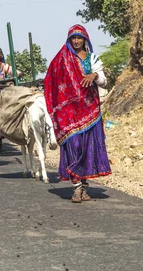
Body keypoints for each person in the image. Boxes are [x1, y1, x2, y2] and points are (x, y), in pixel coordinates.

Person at [43, 24, 111, 203]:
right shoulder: (60, 60)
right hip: (68, 114)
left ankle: (84, 186)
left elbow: (104, 81)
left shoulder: (92, 58)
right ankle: (76, 187)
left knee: (88, 148)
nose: (76, 41)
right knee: (73, 145)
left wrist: (94, 76)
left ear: (85, 39)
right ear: (68, 40)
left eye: (79, 37)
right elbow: (50, 80)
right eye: (73, 37)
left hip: (90, 111)